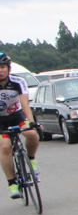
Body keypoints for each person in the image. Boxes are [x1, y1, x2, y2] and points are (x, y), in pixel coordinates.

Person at [0, 54, 41, 198]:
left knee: (31, 134)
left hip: (17, 116)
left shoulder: (18, 81)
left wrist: (31, 123)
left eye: (2, 67)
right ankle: (12, 184)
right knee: (5, 146)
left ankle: (31, 159)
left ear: (8, 69)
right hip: (0, 121)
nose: (0, 70)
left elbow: (25, 104)